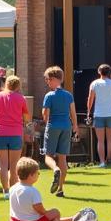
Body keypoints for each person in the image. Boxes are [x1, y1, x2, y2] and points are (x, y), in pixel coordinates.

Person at [0, 74, 30, 196]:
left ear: (6, 84)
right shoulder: (21, 98)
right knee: (14, 165)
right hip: (15, 133)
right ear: (18, 86)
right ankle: (13, 190)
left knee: (3, 165)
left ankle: (5, 191)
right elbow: (27, 117)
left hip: (0, 133)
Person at [8, 157, 76, 221]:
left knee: (50, 217)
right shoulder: (32, 191)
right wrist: (46, 213)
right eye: (37, 173)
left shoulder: (13, 188)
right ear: (31, 175)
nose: (38, 175)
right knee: (55, 212)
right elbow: (40, 210)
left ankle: (71, 219)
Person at [40, 68, 78, 198]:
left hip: (53, 126)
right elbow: (73, 112)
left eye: (48, 79)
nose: (47, 82)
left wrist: (45, 123)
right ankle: (61, 189)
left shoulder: (49, 96)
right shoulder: (68, 95)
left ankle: (55, 169)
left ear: (53, 79)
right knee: (63, 158)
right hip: (66, 126)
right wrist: (75, 126)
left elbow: (45, 114)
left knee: (48, 156)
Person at [87, 63, 111, 167]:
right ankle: (109, 159)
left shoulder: (94, 84)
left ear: (99, 72)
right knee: (110, 139)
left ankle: (102, 162)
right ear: (109, 73)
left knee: (100, 140)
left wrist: (88, 111)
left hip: (99, 114)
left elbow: (90, 99)